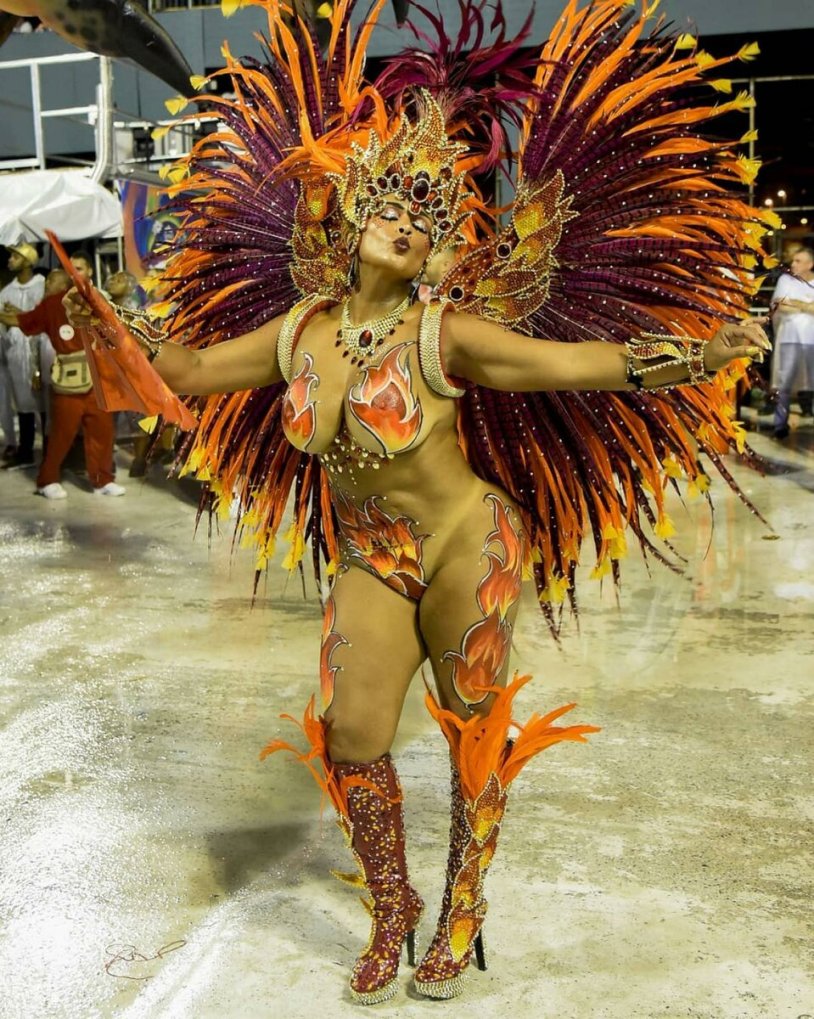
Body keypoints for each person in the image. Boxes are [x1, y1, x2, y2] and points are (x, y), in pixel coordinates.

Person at [62, 0, 773, 1004]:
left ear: (438, 244)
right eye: (389, 208)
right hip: (369, 556)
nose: (404, 222)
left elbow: (578, 363)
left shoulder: (447, 334)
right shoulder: (299, 330)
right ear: (351, 220)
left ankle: (464, 907)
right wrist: (116, 329)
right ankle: (391, 905)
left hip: (465, 543)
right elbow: (185, 369)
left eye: (426, 217)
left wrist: (696, 354)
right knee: (351, 735)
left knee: (471, 732)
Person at [8, 251, 124, 499]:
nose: (47, 284)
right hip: (67, 381)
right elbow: (24, 321)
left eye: (78, 269)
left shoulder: (97, 298)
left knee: (102, 431)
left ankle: (102, 479)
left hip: (97, 378)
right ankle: (47, 479)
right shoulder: (52, 304)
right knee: (61, 434)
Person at [0, 242, 46, 469]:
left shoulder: (42, 286)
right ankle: (25, 449)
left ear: (28, 261)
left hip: (40, 349)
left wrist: (19, 315)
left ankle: (51, 450)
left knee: (45, 402)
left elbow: (44, 316)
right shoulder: (6, 292)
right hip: (16, 353)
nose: (9, 261)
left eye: (15, 257)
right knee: (23, 401)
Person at [770, 246, 814, 438]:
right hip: (789, 338)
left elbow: (788, 303)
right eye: (793, 260)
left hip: (811, 339)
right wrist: (807, 306)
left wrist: (795, 303)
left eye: (798, 261)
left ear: (810, 264)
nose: (793, 264)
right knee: (784, 382)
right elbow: (779, 304)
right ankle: (780, 424)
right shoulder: (785, 279)